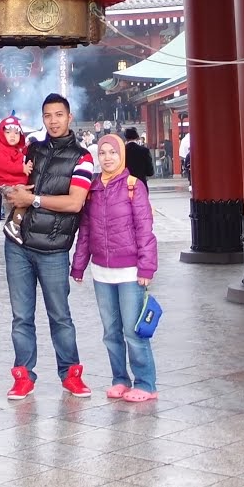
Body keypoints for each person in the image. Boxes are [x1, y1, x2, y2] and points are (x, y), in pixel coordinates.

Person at [1, 94, 94, 400]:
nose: (53, 121)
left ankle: (71, 374)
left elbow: (75, 202)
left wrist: (33, 200)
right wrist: (11, 192)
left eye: (58, 115)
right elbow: (13, 184)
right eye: (47, 116)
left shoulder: (82, 158)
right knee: (21, 316)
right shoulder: (33, 150)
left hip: (54, 249)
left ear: (70, 117)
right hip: (18, 245)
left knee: (60, 315)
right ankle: (23, 376)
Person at [72, 134, 159, 402]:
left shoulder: (134, 186)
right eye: (103, 153)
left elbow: (145, 230)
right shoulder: (93, 190)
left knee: (133, 332)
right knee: (111, 332)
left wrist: (147, 269)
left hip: (130, 271)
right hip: (101, 272)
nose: (108, 158)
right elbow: (85, 230)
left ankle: (145, 383)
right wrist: (79, 265)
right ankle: (120, 379)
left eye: (113, 153)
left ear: (122, 155)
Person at [0, 115, 32, 240]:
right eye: (8, 132)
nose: (12, 136)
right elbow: (6, 165)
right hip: (8, 185)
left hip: (15, 184)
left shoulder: (16, 150)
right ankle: (13, 225)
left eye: (16, 133)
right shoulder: (1, 150)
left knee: (20, 205)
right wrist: (22, 168)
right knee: (21, 204)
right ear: (1, 134)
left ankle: (15, 225)